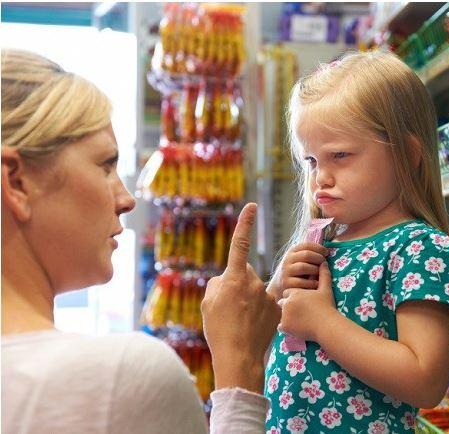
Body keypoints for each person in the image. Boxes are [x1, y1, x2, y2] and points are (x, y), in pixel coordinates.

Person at [1, 48, 278, 434]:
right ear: (16, 182)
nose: (127, 199)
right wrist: (242, 370)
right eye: (105, 165)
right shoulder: (120, 377)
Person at [265, 50, 449, 432]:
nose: (320, 177)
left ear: (407, 154)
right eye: (310, 161)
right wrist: (276, 290)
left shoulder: (418, 247)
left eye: (339, 155)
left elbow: (426, 380)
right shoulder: (324, 243)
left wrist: (323, 324)